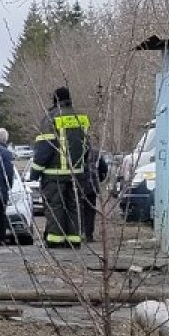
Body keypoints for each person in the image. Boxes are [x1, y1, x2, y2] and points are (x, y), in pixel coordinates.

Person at [31, 86, 91, 248]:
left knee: (55, 207)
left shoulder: (50, 118)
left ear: (55, 100)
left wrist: (34, 172)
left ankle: (55, 240)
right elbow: (87, 147)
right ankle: (74, 240)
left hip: (54, 174)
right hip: (76, 174)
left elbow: (45, 147)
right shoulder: (81, 119)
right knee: (74, 206)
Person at [80, 147, 110, 242]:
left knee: (77, 210)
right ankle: (88, 235)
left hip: (77, 186)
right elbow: (104, 169)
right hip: (91, 187)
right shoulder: (96, 154)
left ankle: (79, 233)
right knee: (90, 212)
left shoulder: (73, 151)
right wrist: (97, 180)